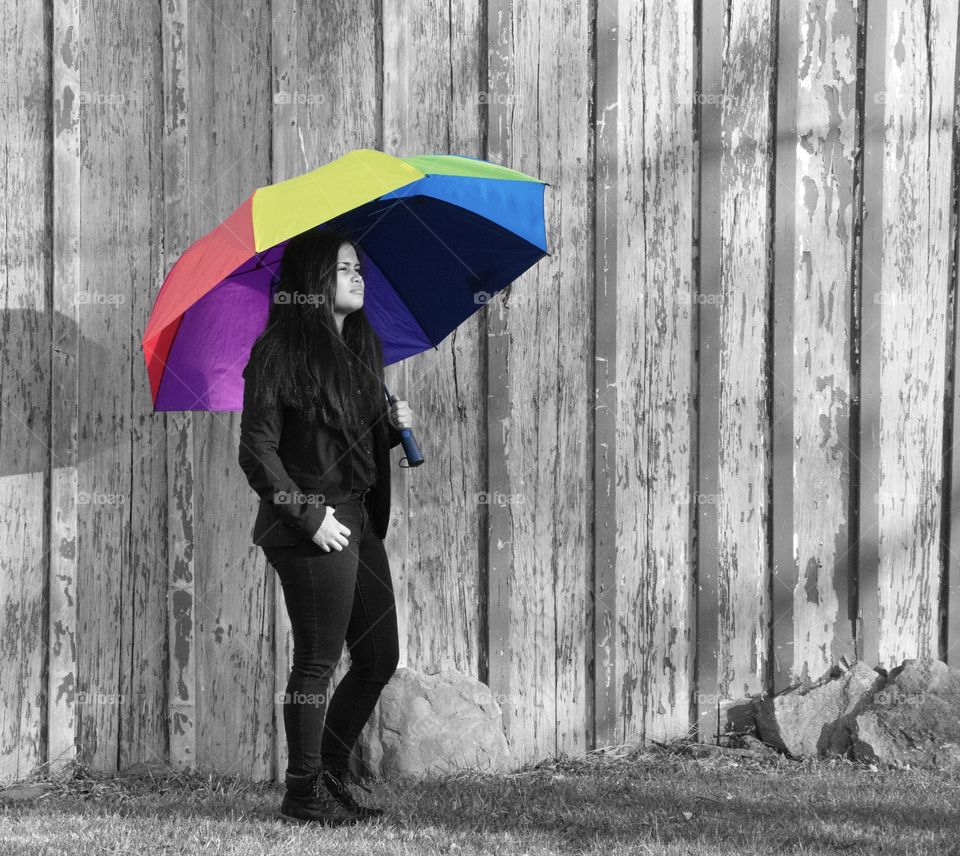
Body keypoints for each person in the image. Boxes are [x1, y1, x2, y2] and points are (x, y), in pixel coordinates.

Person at [238, 225, 414, 826]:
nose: (358, 276)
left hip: (359, 518)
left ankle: (330, 773)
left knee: (378, 656)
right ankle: (302, 793)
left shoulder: (361, 347)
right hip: (310, 526)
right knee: (316, 660)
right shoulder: (278, 352)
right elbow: (257, 451)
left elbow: (348, 443)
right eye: (345, 268)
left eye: (359, 266)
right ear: (315, 280)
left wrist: (390, 427)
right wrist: (308, 516)